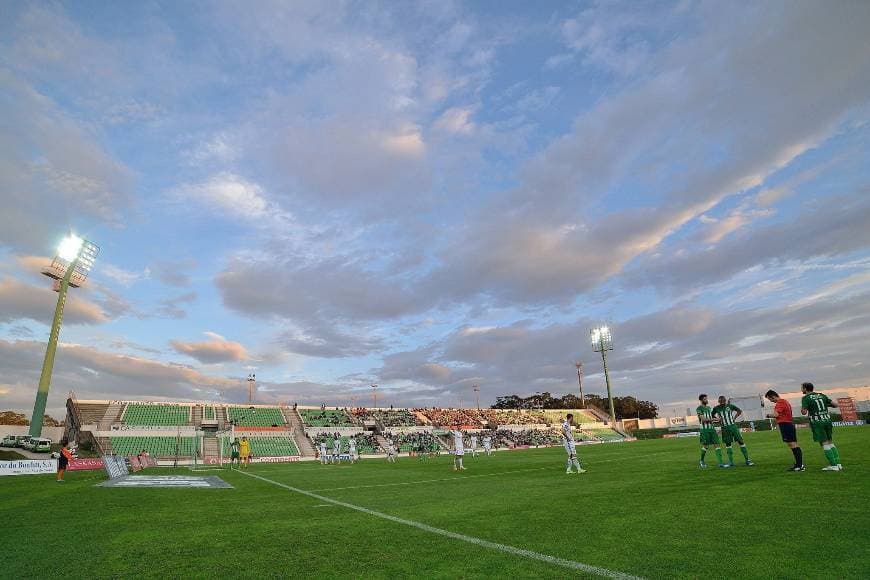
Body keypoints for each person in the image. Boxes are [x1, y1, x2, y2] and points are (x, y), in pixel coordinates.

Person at [800, 382, 843, 471]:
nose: (801, 389)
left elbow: (804, 412)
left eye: (802, 388)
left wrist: (804, 408)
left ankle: (833, 465)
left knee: (824, 443)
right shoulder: (822, 395)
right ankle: (838, 464)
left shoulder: (806, 398)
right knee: (830, 442)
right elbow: (835, 405)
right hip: (827, 420)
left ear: (805, 389)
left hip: (817, 422)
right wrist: (826, 405)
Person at [764, 390, 804, 471]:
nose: (771, 401)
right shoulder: (785, 401)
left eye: (770, 399)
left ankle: (799, 466)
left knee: (792, 445)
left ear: (773, 396)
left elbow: (776, 415)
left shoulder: (780, 403)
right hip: (789, 424)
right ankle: (799, 464)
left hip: (785, 425)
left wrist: (768, 415)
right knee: (793, 444)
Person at [711, 396, 754, 467]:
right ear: (719, 402)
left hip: (733, 426)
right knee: (728, 444)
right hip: (724, 428)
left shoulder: (730, 406)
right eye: (720, 402)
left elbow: (739, 411)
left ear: (725, 401)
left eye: (723, 401)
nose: (722, 403)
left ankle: (747, 460)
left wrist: (734, 418)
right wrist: (718, 419)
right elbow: (712, 415)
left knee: (741, 441)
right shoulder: (716, 408)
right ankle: (731, 462)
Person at [697, 394, 728, 468]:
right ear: (701, 400)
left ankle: (720, 463)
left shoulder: (709, 408)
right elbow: (704, 420)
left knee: (717, 445)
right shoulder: (699, 408)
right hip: (705, 430)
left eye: (706, 399)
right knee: (706, 446)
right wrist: (715, 419)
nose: (706, 400)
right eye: (705, 399)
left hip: (712, 429)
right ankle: (701, 460)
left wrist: (719, 421)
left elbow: (710, 420)